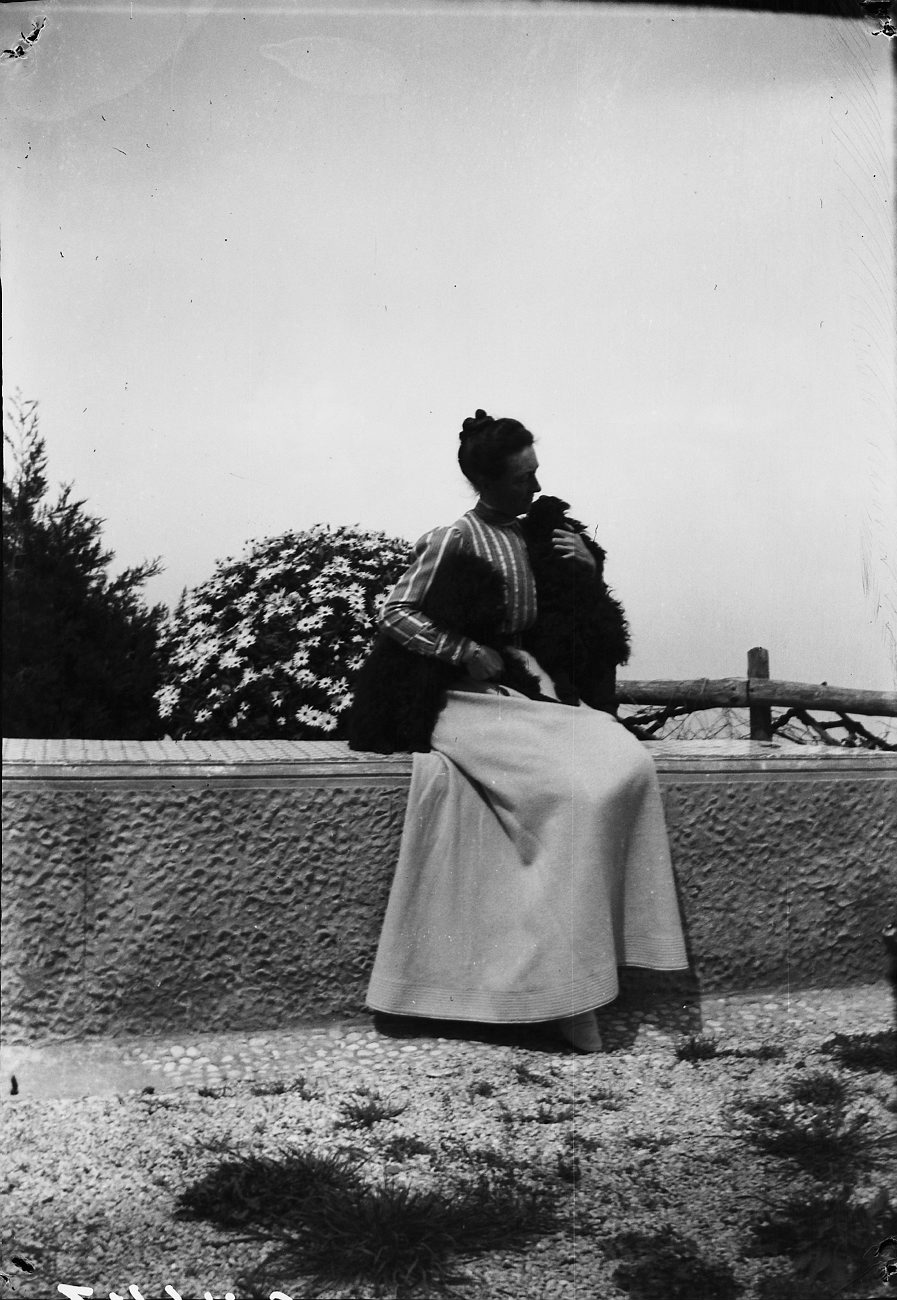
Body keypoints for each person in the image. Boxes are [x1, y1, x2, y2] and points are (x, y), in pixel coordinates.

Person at [365, 409, 688, 1052]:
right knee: (571, 796)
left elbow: (586, 628)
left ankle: (584, 970)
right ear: (485, 481)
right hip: (464, 700)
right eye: (521, 480)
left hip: (524, 689)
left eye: (536, 474)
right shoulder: (453, 536)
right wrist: (457, 648)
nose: (534, 489)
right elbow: (393, 612)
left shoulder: (539, 535)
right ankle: (558, 991)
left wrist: (586, 572)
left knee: (629, 764)